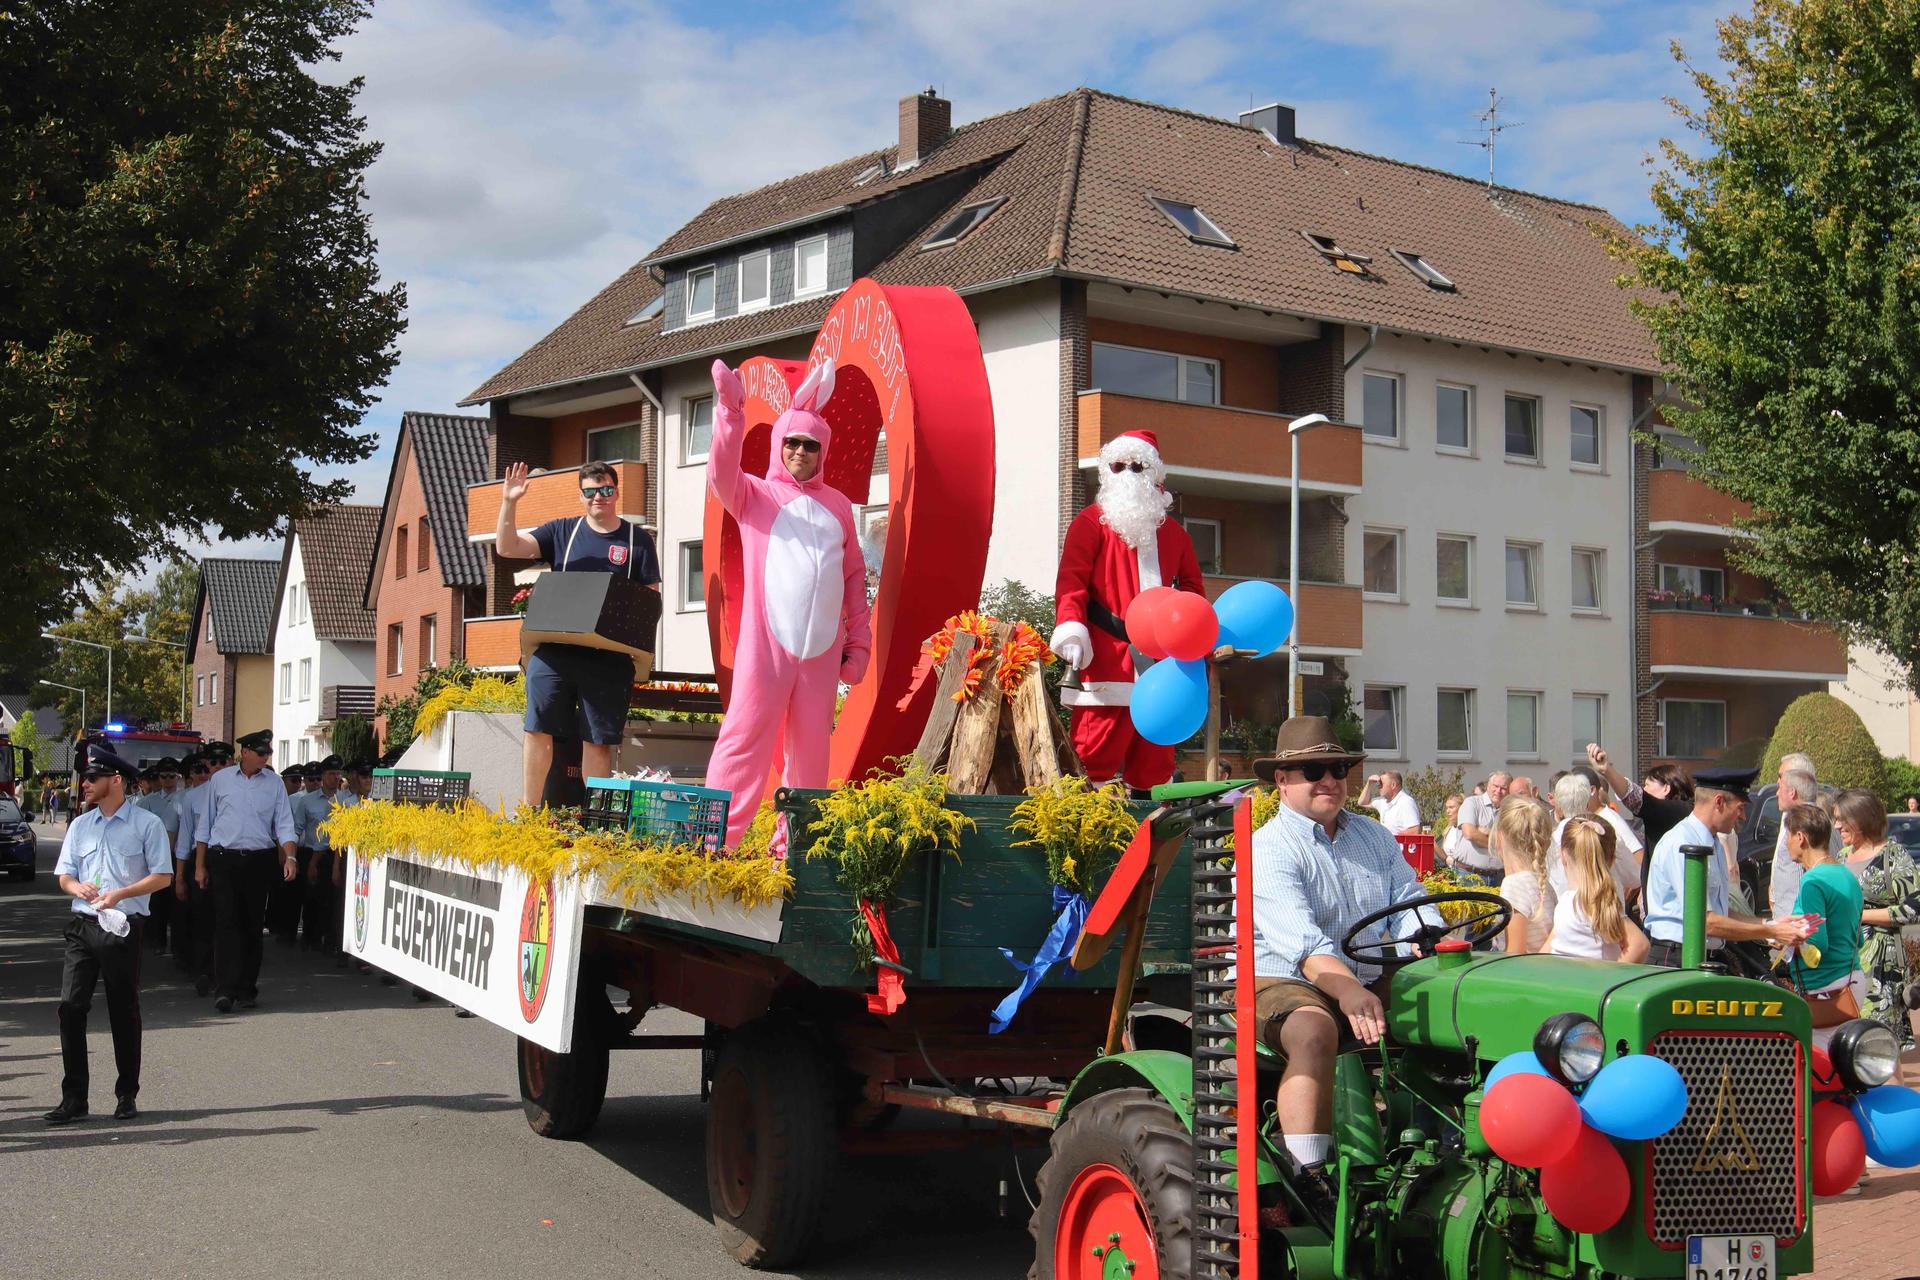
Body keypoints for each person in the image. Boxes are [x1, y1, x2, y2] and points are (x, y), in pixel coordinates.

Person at [1249, 716, 1430, 1218]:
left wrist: (1430, 939)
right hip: (1282, 975)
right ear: (1282, 782)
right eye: (1313, 769)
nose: (1329, 779)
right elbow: (1306, 948)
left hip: (1363, 971)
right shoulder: (1269, 848)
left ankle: (1443, 1141)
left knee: (1452, 1003)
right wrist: (1350, 992)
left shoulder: (1373, 836)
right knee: (1313, 1029)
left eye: (1338, 767)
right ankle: (1308, 1176)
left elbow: (1411, 902)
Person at [704, 359, 871, 846]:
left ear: (824, 452)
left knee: (812, 756)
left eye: (811, 445)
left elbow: (854, 576)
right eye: (792, 443)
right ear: (779, 446)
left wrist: (858, 643)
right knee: (745, 739)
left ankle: (796, 850)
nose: (800, 451)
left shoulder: (839, 505)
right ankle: (716, 843)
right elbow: (720, 472)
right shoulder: (754, 492)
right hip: (767, 648)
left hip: (820, 653)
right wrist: (731, 413)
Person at [493, 458, 663, 810]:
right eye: (590, 492)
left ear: (616, 493)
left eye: (605, 490)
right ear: (580, 495)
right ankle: (528, 812)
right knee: (537, 728)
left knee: (597, 741)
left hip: (609, 657)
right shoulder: (561, 532)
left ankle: (595, 821)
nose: (598, 497)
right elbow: (507, 548)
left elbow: (652, 601)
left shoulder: (638, 541)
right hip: (556, 650)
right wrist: (509, 501)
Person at [1047, 428, 1206, 793]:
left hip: (1163, 665)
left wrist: (1194, 637)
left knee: (1155, 763)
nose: (1128, 475)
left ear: (1156, 476)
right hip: (1107, 658)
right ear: (1106, 472)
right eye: (1118, 466)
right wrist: (1071, 626)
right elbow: (1071, 583)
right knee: (1093, 757)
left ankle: (1152, 842)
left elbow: (1194, 592)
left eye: (1137, 466)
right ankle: (1084, 838)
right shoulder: (1089, 524)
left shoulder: (1176, 535)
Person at [45, 744, 174, 1124]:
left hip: (122, 927)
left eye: (92, 778)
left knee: (123, 1010)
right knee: (70, 1009)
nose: (85, 784)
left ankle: (126, 1094)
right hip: (82, 927)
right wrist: (75, 888)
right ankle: (74, 1098)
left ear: (115, 780)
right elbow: (64, 875)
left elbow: (163, 877)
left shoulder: (145, 824)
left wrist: (122, 892)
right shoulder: (81, 825)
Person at [1642, 767, 1808, 968]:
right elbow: (1705, 921)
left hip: (1702, 956)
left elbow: (1720, 912)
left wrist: (1771, 924)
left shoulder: (1714, 844)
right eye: (1740, 808)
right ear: (1719, 802)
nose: (1743, 817)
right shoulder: (1681, 844)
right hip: (1676, 958)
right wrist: (1772, 932)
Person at [193, 729, 296, 1013]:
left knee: (252, 925)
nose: (265, 758)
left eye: (268, 754)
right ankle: (224, 989)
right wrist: (200, 865)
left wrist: (290, 857)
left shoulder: (274, 784)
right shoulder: (220, 780)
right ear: (246, 752)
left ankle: (246, 988)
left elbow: (284, 824)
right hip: (224, 858)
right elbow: (206, 825)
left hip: (258, 860)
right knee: (226, 923)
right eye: (261, 753)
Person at [1834, 788, 1920, 1047]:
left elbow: (1914, 907)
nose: (1836, 825)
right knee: (1849, 1042)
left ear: (1860, 819)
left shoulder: (1893, 855)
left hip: (1882, 964)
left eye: (1841, 819)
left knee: (1879, 1041)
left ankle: (1894, 1090)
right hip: (1844, 961)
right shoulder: (1840, 857)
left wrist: (1862, 915)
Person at [1782, 803, 1863, 1049]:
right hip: (1851, 982)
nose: (1786, 843)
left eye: (1787, 835)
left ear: (1800, 837)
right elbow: (1857, 938)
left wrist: (1784, 941)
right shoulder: (1847, 875)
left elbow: (1816, 948)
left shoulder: (1812, 881)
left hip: (1826, 992)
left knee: (1819, 1073)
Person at [1546, 815, 1648, 962]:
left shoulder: (1592, 901)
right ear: (1612, 859)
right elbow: (1553, 944)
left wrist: (1609, 980)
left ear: (1562, 854)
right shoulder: (1570, 900)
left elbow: (1639, 944)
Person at [1548, 769, 1643, 904]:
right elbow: (1634, 877)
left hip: (1566, 917)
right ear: (1587, 800)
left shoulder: (1549, 841)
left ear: (1559, 805)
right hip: (1607, 915)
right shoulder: (1606, 832)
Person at [301, 756, 353, 957]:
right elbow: (298, 828)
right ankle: (310, 937)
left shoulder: (344, 800)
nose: (335, 777)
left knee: (333, 900)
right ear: (322, 776)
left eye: (338, 773)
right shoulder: (307, 800)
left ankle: (329, 939)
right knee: (312, 899)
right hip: (312, 853)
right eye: (331, 773)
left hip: (334, 853)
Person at [1494, 795, 1556, 953]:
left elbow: (1515, 954)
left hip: (1522, 973)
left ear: (1499, 837)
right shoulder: (1543, 883)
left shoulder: (1513, 886)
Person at [1768, 756, 1821, 920]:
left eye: (1781, 782)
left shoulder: (1809, 824)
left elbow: (1818, 871)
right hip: (1787, 919)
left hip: (1798, 924)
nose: (1776, 791)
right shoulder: (1791, 819)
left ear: (1793, 791)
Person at [1452, 772, 1509, 883]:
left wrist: (1487, 832)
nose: (1498, 791)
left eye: (1503, 788)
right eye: (1495, 786)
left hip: (1499, 876)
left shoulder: (1509, 810)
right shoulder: (1472, 803)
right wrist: (1499, 844)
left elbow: (1511, 839)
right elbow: (1469, 833)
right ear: (1488, 786)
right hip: (1469, 875)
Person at [1438, 794, 1468, 867]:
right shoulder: (1449, 829)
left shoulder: (1467, 829)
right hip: (1449, 873)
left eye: (1451, 807)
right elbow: (1446, 858)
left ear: (1461, 808)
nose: (1448, 811)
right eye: (1447, 808)